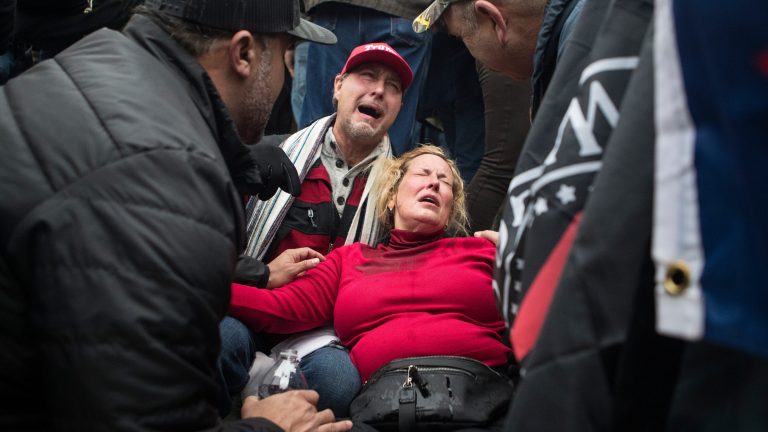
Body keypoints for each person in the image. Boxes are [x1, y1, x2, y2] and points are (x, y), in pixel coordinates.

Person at [0, 0, 354, 430]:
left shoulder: (92, 62)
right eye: (284, 53)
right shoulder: (171, 175)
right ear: (244, 54)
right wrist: (268, 427)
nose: (285, 76)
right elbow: (144, 415)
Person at [229, 146, 513, 428]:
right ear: (391, 197)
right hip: (382, 412)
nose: (434, 183)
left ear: (449, 211)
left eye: (444, 181)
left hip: (481, 404)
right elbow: (282, 308)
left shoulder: (485, 251)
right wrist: (210, 285)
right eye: (423, 174)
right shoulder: (349, 260)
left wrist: (525, 257)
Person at [218, 42, 414, 418]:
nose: (378, 90)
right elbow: (207, 243)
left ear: (399, 107)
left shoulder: (400, 190)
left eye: (392, 87)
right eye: (367, 77)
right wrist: (260, 273)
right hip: (249, 306)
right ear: (338, 86)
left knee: (337, 383)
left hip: (324, 334)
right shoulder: (269, 154)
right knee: (220, 340)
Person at [293, 0, 434, 154]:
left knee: (316, 137)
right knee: (392, 144)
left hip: (334, 10)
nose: (379, 90)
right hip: (406, 13)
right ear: (338, 85)